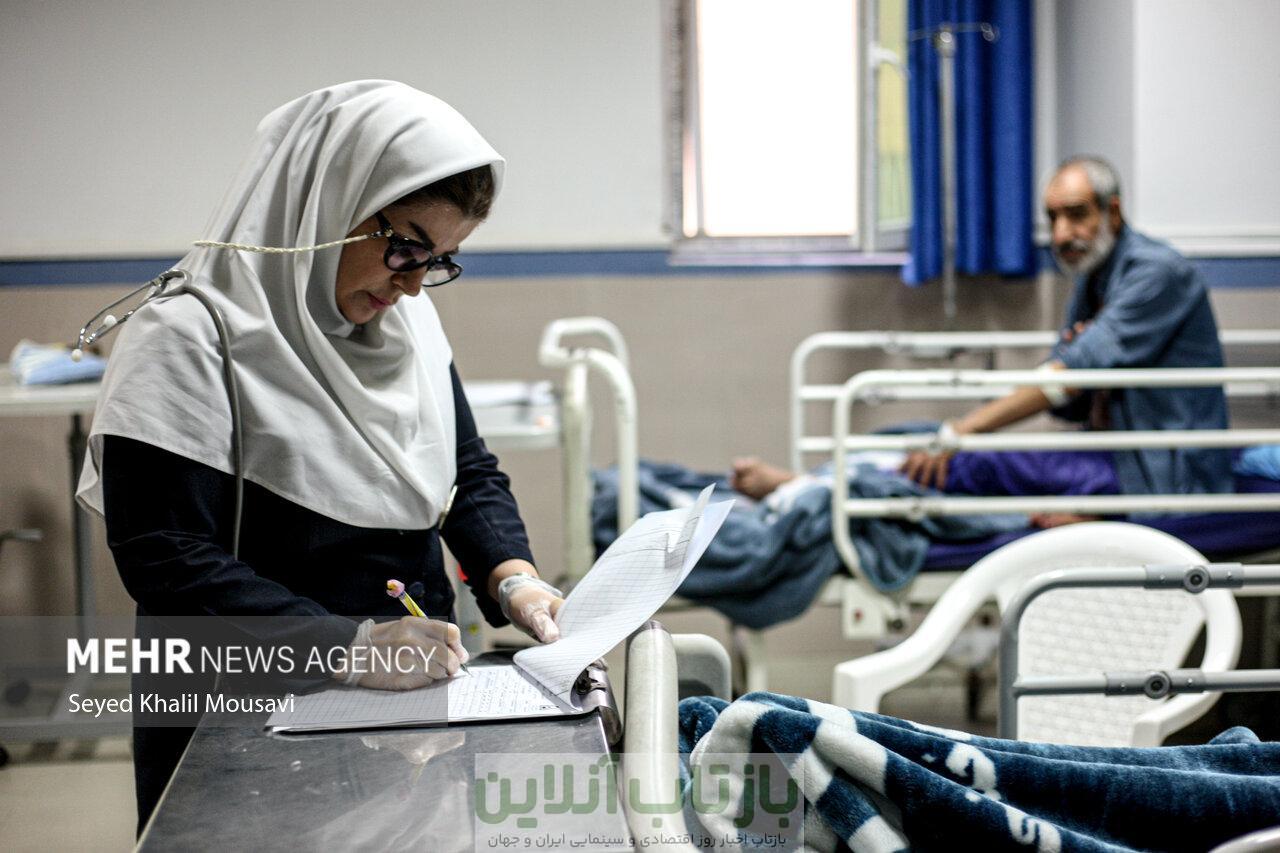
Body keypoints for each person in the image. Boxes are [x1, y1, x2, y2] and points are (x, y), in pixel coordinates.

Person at [74, 81, 564, 831]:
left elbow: (464, 472)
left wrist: (513, 577)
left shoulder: (408, 329)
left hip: (405, 713)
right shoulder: (187, 338)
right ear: (325, 207)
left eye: (438, 260)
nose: (412, 285)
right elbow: (165, 554)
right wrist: (352, 647)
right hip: (244, 718)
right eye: (405, 247)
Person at [734, 156, 1231, 525]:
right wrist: (1078, 382)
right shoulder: (1093, 279)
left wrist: (961, 432)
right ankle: (821, 482)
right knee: (912, 435)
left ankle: (817, 491)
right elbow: (1069, 396)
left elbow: (1062, 380)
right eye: (1052, 218)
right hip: (1110, 454)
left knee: (969, 462)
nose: (1061, 234)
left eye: (1076, 214)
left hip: (1161, 472)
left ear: (1113, 212)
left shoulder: (1157, 274)